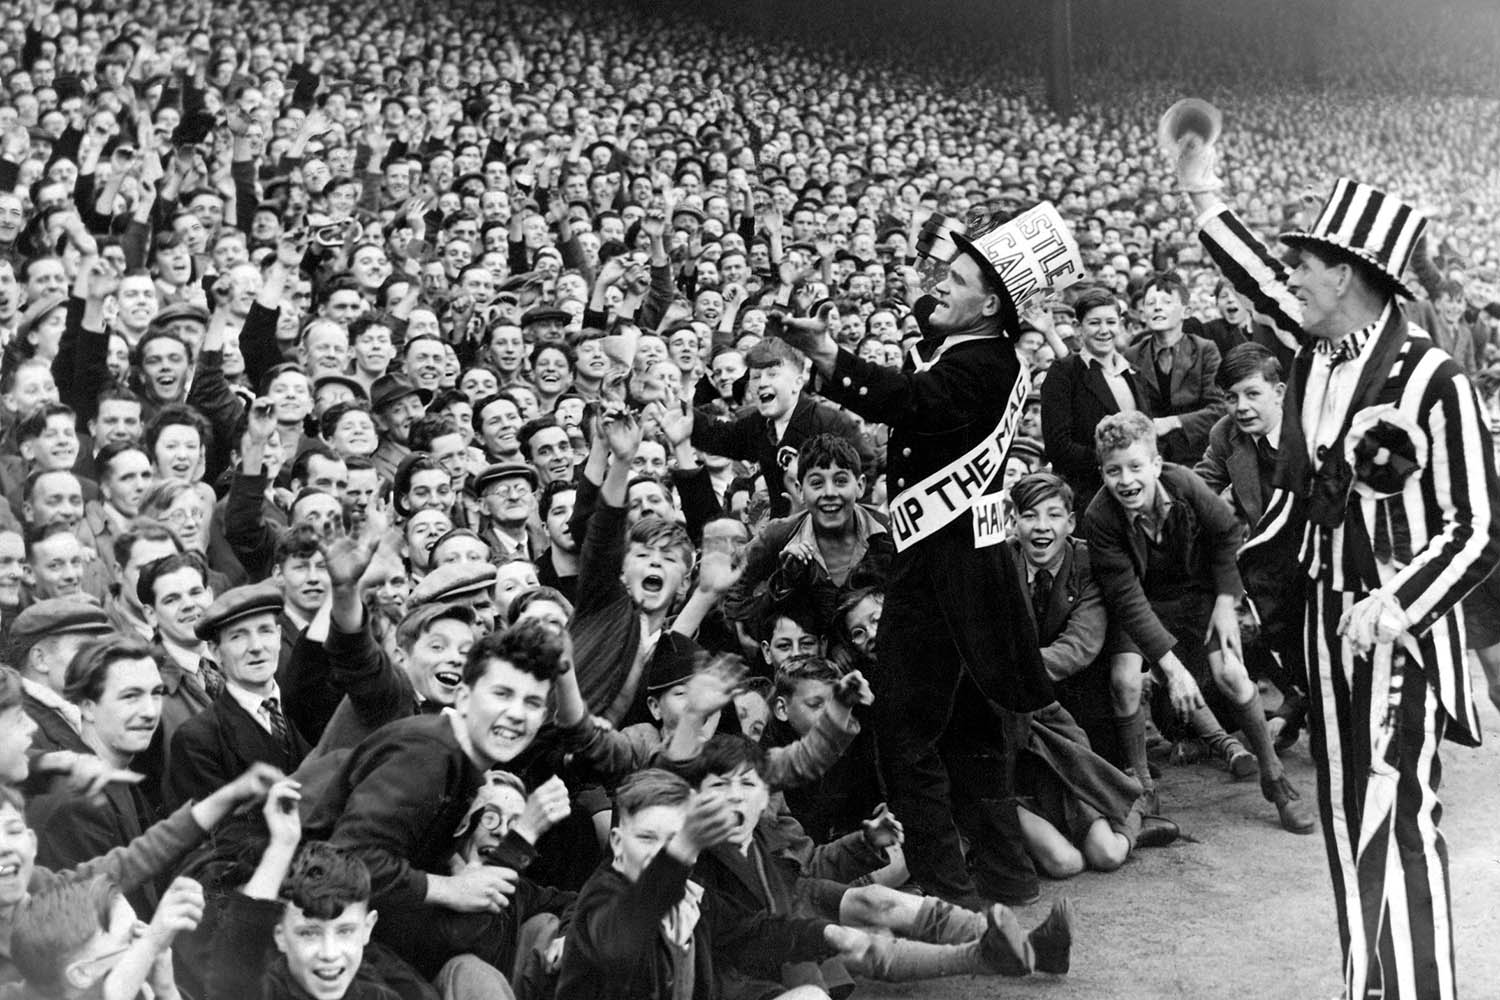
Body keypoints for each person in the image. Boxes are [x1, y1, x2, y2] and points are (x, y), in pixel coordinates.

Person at [1186, 133, 1500, 998]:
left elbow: (1478, 528)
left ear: (1350, 276)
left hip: (1397, 629)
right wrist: (1205, 197)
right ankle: (1369, 982)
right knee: (1343, 811)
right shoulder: (1319, 347)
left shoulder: (1434, 377)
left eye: (1306, 267)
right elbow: (1255, 278)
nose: (1292, 281)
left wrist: (1398, 603)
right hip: (1326, 622)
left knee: (1396, 815)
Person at [773, 209, 1078, 904]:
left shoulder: (982, 363)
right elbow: (929, 312)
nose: (939, 287)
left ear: (992, 305)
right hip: (964, 571)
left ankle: (948, 890)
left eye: (956, 280)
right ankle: (1006, 875)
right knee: (970, 732)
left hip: (941, 575)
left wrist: (829, 359)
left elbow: (912, 397)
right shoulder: (974, 340)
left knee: (906, 738)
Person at [1084, 411, 1314, 834]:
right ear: (1102, 472)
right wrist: (1171, 669)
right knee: (1125, 681)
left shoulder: (1184, 484)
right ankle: (1143, 787)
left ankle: (1273, 776)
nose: (1126, 480)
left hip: (1197, 596)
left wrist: (1227, 603)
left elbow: (1228, 534)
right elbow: (1127, 598)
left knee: (1232, 673)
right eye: (1113, 471)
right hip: (1142, 604)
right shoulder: (1100, 517)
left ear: (1155, 464)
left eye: (1136, 466)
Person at [165, 584, 310, 809]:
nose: (256, 647)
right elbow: (223, 834)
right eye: (238, 636)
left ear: (279, 637)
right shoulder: (197, 739)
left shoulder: (308, 706)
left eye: (265, 631)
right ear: (214, 651)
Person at [1040, 288, 1148, 511]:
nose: (1104, 330)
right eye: (1094, 323)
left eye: (1110, 322)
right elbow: (1058, 445)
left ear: (1120, 324)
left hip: (1137, 496)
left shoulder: (1134, 373)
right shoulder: (1064, 372)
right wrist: (1114, 463)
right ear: (1078, 328)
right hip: (1088, 500)